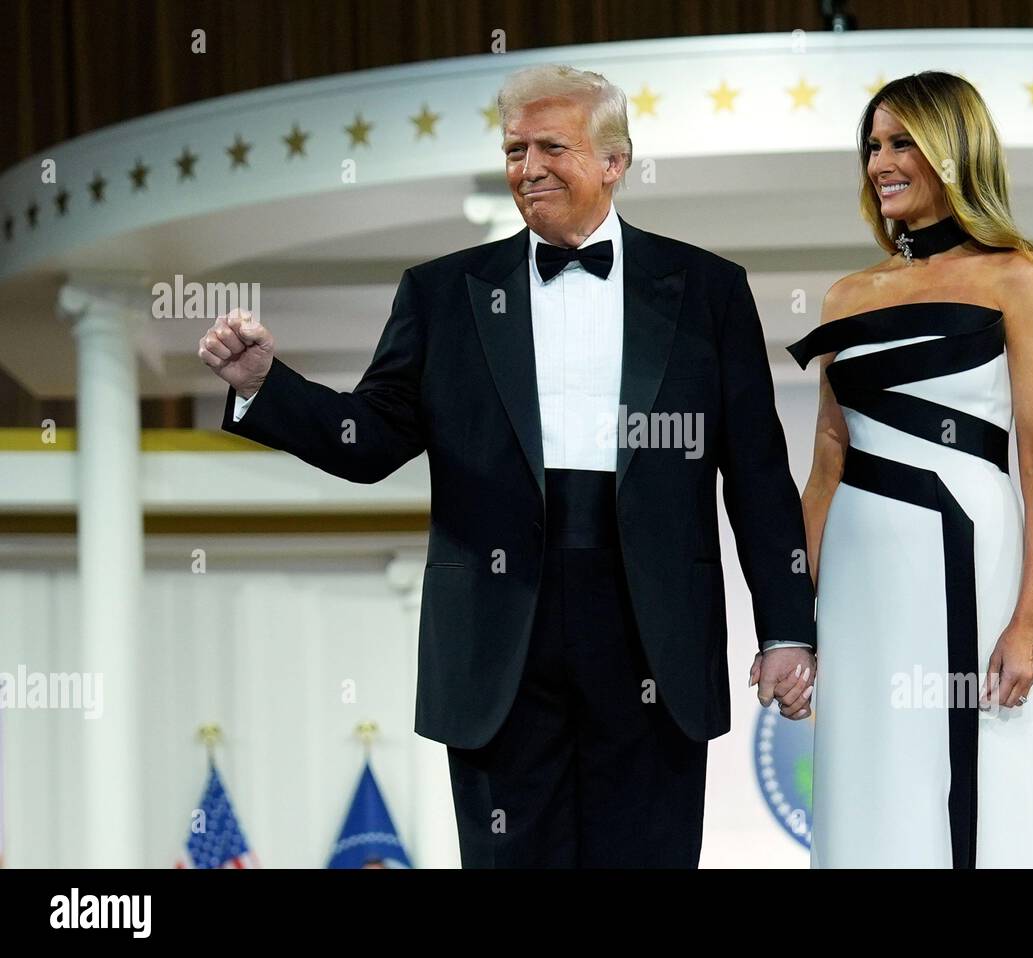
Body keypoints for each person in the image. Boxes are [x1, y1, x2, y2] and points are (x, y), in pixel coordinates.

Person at [197, 64, 817, 868]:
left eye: (551, 146)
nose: (528, 168)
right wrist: (262, 388)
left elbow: (759, 478)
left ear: (613, 161)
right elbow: (371, 440)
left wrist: (788, 630)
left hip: (654, 634)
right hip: (499, 637)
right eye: (514, 149)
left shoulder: (708, 290)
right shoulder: (444, 291)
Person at [787, 71, 1033, 868]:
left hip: (967, 559)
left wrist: (1030, 621)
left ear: (954, 149)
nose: (880, 162)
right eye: (872, 145)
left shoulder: (1019, 278)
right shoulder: (846, 297)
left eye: (902, 141)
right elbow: (827, 464)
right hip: (857, 571)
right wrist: (791, 618)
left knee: (967, 770)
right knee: (864, 767)